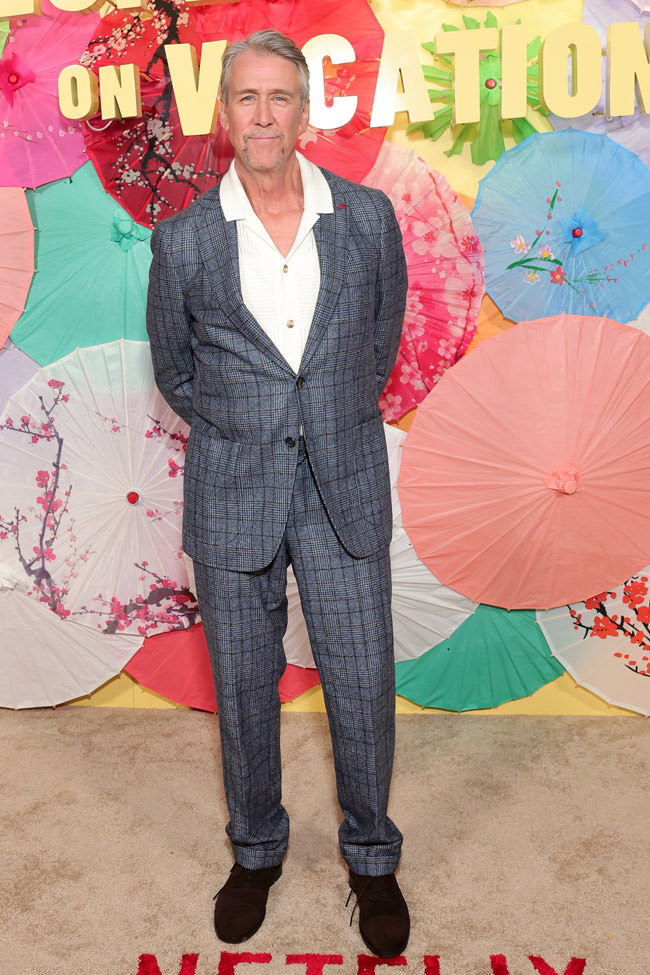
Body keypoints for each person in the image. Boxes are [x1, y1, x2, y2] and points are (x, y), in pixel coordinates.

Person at [146, 29, 409, 957]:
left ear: (305, 111)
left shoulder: (367, 218)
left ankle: (372, 858)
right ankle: (255, 852)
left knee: (364, 682)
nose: (264, 115)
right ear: (225, 115)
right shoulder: (183, 239)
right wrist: (245, 425)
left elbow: (380, 338)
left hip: (344, 483)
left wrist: (325, 414)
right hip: (233, 490)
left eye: (280, 97)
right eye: (247, 98)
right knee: (246, 688)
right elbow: (177, 371)